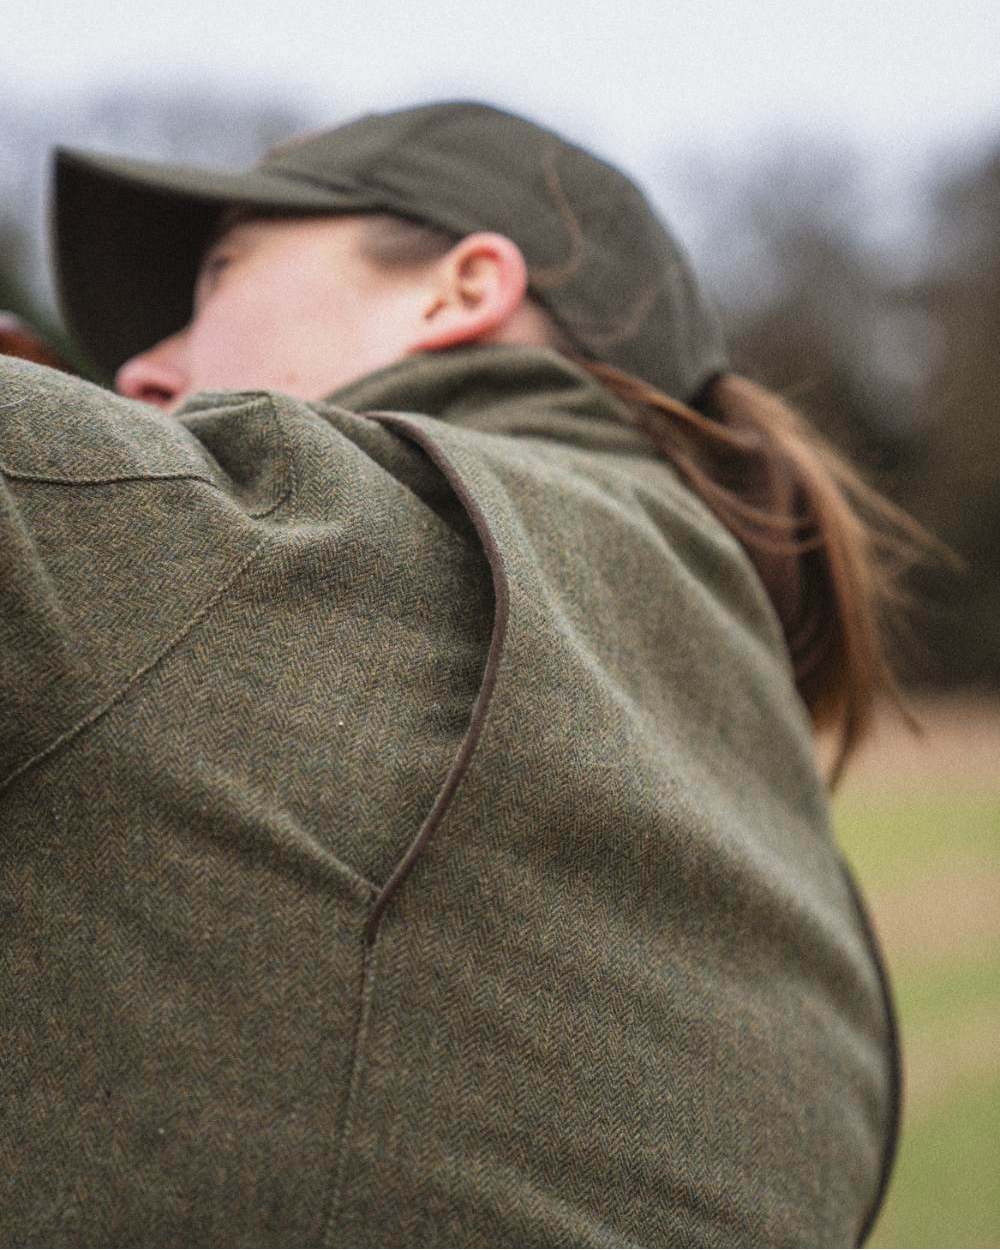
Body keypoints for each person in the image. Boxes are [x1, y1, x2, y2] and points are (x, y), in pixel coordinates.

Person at [1, 100, 915, 1247]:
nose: (138, 370)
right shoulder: (821, 922)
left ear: (461, 288)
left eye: (217, 278)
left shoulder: (245, 532)